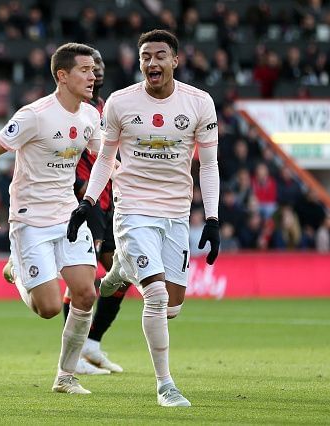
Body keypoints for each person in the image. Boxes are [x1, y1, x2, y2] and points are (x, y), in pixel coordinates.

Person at [67, 29, 221, 407]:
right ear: (140, 62)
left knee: (172, 306)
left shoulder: (199, 103)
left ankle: (119, 271)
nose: (152, 63)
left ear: (175, 60)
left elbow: (210, 164)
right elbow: (105, 157)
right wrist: (88, 201)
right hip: (133, 209)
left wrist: (213, 218)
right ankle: (166, 385)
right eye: (145, 57)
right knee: (153, 295)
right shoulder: (120, 103)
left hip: (176, 213)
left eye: (159, 56)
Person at [0, 43, 101, 394]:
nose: (93, 76)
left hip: (68, 214)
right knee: (47, 308)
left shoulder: (90, 116)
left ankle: (66, 376)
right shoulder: (35, 114)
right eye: (85, 70)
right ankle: (16, 268)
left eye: (93, 70)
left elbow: (104, 158)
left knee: (86, 295)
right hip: (30, 217)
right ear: (62, 75)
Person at [62, 48, 127, 376]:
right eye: (89, 67)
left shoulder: (107, 108)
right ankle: (75, 357)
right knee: (83, 278)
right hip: (81, 202)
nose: (96, 71)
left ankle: (91, 344)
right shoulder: (70, 109)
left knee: (121, 273)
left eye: (100, 65)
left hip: (110, 202)